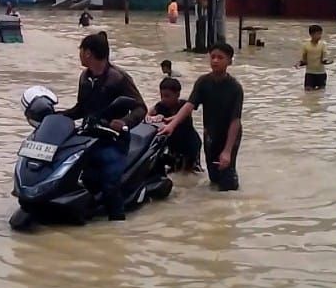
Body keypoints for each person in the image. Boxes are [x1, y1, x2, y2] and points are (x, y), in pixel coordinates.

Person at [63, 31, 146, 220]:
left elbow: (141, 108)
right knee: (87, 180)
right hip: (89, 139)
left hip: (114, 141)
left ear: (88, 53)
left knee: (110, 185)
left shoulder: (119, 78)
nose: (80, 54)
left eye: (81, 50)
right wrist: (56, 117)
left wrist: (124, 122)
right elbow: (80, 109)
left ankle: (117, 222)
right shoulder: (85, 78)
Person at [160, 41, 243, 191]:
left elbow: (235, 121)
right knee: (214, 177)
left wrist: (227, 151)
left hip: (230, 135)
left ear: (230, 61)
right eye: (213, 57)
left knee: (227, 181)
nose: (215, 61)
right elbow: (189, 106)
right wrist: (171, 125)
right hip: (210, 134)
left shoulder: (235, 88)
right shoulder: (203, 82)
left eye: (220, 57)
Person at [148, 77, 201, 171]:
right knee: (173, 169)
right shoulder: (160, 106)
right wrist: (153, 118)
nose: (164, 99)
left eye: (167, 96)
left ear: (178, 94)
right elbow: (146, 116)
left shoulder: (185, 106)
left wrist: (164, 119)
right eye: (162, 96)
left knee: (188, 172)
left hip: (190, 144)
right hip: (173, 145)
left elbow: (181, 116)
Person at [298, 24, 329, 90]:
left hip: (321, 73)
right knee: (308, 93)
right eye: (317, 34)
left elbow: (324, 55)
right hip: (309, 73)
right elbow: (304, 59)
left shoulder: (323, 44)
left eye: (320, 34)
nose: (319, 36)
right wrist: (299, 63)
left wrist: (325, 61)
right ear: (311, 35)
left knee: (321, 93)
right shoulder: (306, 45)